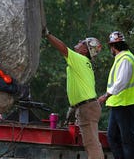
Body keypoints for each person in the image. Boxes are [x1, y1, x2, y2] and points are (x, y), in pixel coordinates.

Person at [44, 30, 104, 159]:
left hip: (86, 107)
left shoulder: (80, 59)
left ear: (84, 51)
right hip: (87, 106)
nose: (78, 42)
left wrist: (48, 34)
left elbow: (63, 48)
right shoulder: (83, 63)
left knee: (92, 144)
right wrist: (74, 107)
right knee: (92, 142)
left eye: (82, 43)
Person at [98, 31, 134, 159]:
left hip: (126, 104)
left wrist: (106, 95)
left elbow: (121, 82)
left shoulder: (125, 59)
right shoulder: (122, 58)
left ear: (113, 46)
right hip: (119, 104)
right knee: (112, 137)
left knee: (127, 139)